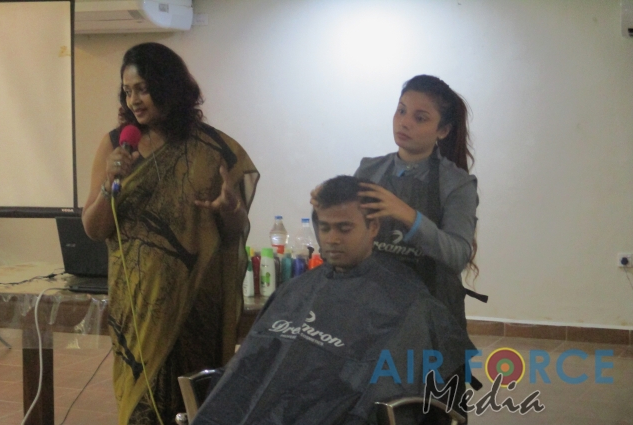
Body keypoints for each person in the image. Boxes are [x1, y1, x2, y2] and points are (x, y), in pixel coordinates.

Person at [191, 175, 474, 425]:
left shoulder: (409, 303)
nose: (332, 239)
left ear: (373, 227)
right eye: (325, 228)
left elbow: (386, 393)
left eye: (344, 228)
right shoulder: (296, 290)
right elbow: (248, 369)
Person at [81, 42, 259, 425]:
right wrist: (110, 183)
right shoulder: (115, 145)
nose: (134, 100)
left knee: (192, 406)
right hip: (138, 306)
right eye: (127, 91)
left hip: (196, 304)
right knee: (141, 409)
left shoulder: (213, 150)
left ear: (170, 87)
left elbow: (235, 231)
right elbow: (94, 229)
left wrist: (230, 209)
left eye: (143, 89)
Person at [315, 75, 481, 330]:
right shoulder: (369, 171)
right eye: (401, 111)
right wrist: (324, 210)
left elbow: (458, 256)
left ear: (443, 131)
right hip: (369, 312)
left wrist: (409, 216)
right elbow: (348, 239)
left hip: (429, 319)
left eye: (420, 118)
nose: (404, 122)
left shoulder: (457, 184)